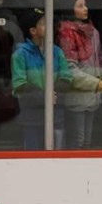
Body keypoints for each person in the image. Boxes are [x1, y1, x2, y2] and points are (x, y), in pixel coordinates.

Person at [55, 0, 102, 149]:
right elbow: (70, 70)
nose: (86, 8)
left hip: (93, 96)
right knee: (78, 141)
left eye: (85, 5)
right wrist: (97, 84)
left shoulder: (93, 32)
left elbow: (101, 61)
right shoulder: (65, 34)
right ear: (69, 9)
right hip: (76, 96)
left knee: (87, 141)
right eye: (80, 6)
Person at [11, 8, 72, 149]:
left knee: (57, 158)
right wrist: (45, 97)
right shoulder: (20, 54)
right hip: (31, 120)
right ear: (32, 31)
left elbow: (66, 78)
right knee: (33, 160)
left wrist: (55, 95)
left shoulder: (57, 51)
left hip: (56, 117)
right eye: (44, 23)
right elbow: (20, 85)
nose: (49, 26)